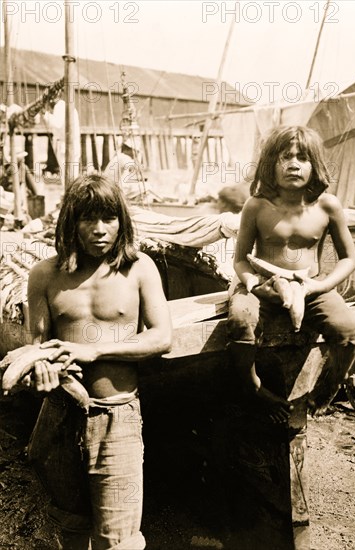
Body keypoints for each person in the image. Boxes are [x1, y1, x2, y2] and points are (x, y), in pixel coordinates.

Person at [26, 173, 172, 549]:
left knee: (119, 541)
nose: (99, 230)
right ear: (70, 222)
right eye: (88, 219)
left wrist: (95, 350)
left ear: (122, 221)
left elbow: (161, 338)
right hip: (58, 416)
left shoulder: (139, 269)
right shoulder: (44, 275)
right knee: (71, 528)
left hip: (115, 419)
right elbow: (37, 347)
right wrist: (39, 371)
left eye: (109, 218)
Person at [227, 125, 355, 422]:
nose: (293, 163)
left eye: (302, 157)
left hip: (309, 289)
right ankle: (254, 387)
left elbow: (349, 259)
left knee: (350, 333)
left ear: (315, 166)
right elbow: (240, 261)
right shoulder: (256, 206)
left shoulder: (328, 205)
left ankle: (321, 397)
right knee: (240, 321)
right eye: (284, 157)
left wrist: (319, 286)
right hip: (261, 286)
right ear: (270, 165)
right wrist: (254, 284)